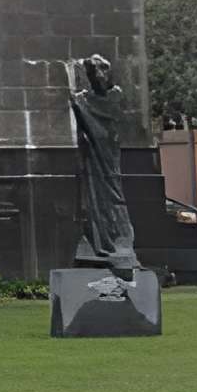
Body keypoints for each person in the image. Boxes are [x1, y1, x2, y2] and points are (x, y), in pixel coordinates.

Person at [66, 53, 138, 272]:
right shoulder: (83, 100)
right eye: (94, 71)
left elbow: (110, 125)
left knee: (114, 193)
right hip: (94, 159)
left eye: (102, 70)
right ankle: (101, 242)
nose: (99, 75)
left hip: (109, 154)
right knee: (96, 197)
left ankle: (120, 241)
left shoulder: (114, 97)